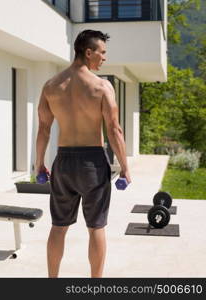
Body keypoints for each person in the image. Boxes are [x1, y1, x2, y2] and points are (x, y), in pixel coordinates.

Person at [35, 29, 131, 278]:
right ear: (88, 52)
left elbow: (43, 130)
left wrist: (39, 166)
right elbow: (114, 129)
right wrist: (125, 167)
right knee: (96, 227)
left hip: (63, 162)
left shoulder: (51, 86)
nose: (104, 58)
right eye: (102, 52)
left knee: (58, 227)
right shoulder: (101, 86)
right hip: (92, 163)